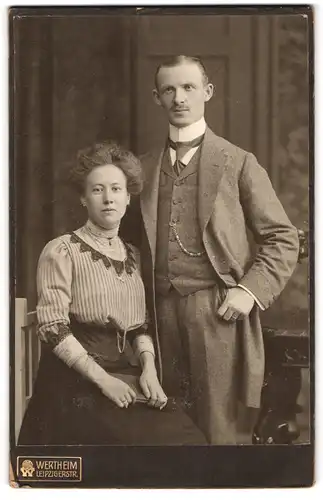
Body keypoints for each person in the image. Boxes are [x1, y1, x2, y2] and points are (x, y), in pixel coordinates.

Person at [137, 55, 300, 444]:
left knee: (220, 435)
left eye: (189, 87)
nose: (180, 97)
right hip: (157, 318)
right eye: (170, 89)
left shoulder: (239, 162)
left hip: (218, 315)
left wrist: (249, 291)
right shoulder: (141, 169)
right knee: (164, 433)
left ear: (207, 93)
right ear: (156, 97)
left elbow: (283, 237)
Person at [18, 141, 207, 446]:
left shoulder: (132, 256)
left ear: (129, 197)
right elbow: (54, 329)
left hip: (125, 373)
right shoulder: (62, 251)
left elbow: (141, 326)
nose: (108, 199)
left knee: (190, 440)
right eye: (97, 190)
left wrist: (149, 371)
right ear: (83, 198)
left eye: (116, 189)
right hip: (74, 382)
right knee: (153, 447)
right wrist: (105, 381)